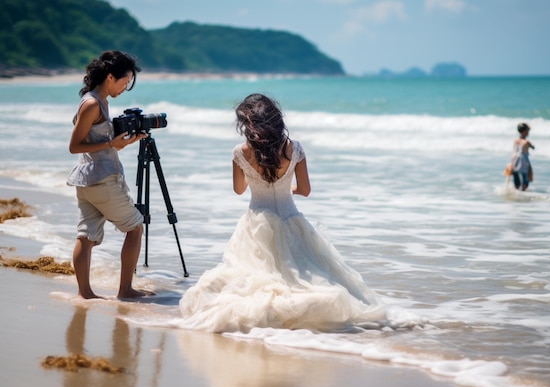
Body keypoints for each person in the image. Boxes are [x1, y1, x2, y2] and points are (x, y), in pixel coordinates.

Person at [179, 93, 386, 332]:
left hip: (256, 223)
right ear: (276, 120)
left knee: (257, 277)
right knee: (304, 275)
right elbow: (305, 190)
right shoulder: (294, 148)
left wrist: (257, 180)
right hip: (291, 220)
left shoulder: (240, 152)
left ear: (247, 124)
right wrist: (286, 188)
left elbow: (238, 190)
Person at [67, 50, 151, 299]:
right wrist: (111, 145)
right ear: (111, 77)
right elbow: (74, 146)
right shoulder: (93, 103)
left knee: (86, 235)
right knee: (135, 227)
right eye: (125, 82)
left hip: (87, 181)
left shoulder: (98, 101)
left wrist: (117, 141)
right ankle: (125, 290)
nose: (125, 88)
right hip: (102, 180)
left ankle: (86, 293)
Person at [509, 122, 535, 191]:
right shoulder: (526, 142)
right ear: (524, 131)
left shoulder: (516, 140)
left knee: (516, 176)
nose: (528, 133)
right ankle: (523, 192)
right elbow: (533, 147)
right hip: (523, 160)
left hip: (514, 159)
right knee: (525, 177)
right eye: (527, 131)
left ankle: (516, 191)